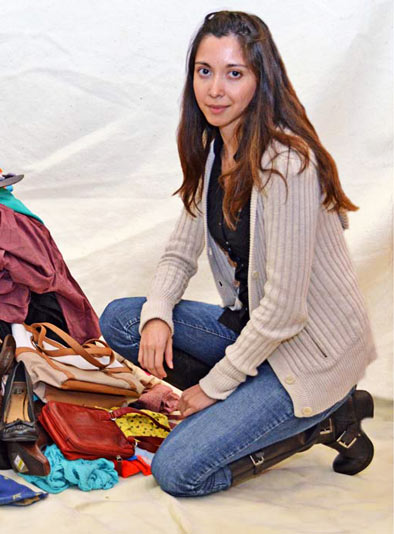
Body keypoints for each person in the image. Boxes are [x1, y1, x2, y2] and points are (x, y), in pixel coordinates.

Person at [99, 11, 377, 496]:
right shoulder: (214, 150)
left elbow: (285, 309)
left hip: (311, 354)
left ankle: (323, 421)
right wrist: (159, 315)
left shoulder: (287, 164)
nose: (215, 90)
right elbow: (178, 254)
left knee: (177, 470)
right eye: (205, 71)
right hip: (257, 336)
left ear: (259, 79)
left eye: (234, 73)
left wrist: (212, 388)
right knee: (124, 320)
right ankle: (246, 400)